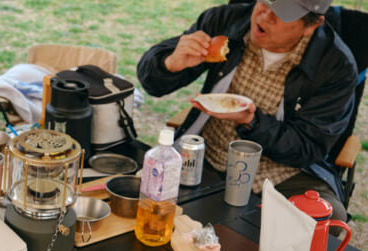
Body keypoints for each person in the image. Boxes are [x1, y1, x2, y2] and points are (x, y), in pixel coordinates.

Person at [137, 0, 357, 221]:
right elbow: (152, 84)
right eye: (264, 2)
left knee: (328, 219)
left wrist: (252, 122)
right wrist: (170, 63)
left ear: (312, 24)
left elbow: (308, 146)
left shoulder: (335, 66)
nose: (264, 15)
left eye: (281, 13)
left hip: (281, 172)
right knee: (146, 195)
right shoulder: (226, 21)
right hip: (208, 156)